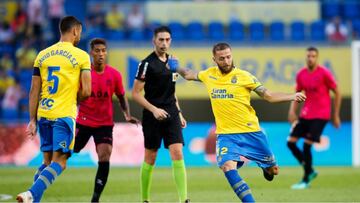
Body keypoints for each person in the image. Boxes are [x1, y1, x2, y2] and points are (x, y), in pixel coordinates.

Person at [170, 42, 306, 202]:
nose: (226, 61)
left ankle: (266, 167)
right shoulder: (209, 75)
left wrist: (292, 95)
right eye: (221, 58)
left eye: (228, 57)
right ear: (214, 59)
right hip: (226, 134)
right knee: (227, 166)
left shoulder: (245, 76)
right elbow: (188, 74)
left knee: (273, 171)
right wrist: (176, 66)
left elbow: (268, 95)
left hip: (252, 133)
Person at [16, 16, 92, 202]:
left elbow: (34, 90)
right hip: (63, 114)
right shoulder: (82, 56)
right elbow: (88, 90)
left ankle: (34, 198)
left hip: (43, 114)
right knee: (61, 163)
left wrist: (32, 120)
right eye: (79, 32)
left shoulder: (42, 55)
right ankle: (31, 194)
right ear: (75, 31)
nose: (79, 36)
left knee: (47, 162)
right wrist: (76, 99)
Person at [74, 38, 139, 202]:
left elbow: (122, 97)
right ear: (91, 53)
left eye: (103, 50)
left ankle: (95, 198)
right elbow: (74, 95)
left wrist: (127, 115)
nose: (101, 54)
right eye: (97, 51)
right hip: (83, 121)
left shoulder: (114, 75)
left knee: (104, 156)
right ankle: (45, 174)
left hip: (104, 124)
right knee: (68, 152)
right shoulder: (83, 73)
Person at [132, 26, 189, 203]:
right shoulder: (146, 63)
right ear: (154, 41)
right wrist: (154, 110)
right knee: (151, 156)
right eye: (161, 40)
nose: (164, 43)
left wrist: (179, 113)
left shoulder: (173, 62)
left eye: (167, 40)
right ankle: (145, 199)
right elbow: (135, 94)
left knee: (177, 152)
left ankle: (184, 199)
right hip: (152, 114)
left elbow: (172, 92)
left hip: (171, 111)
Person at [287, 47, 341, 189]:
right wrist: (292, 111)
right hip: (306, 114)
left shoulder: (324, 73)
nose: (310, 58)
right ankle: (310, 170)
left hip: (321, 115)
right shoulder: (301, 74)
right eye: (308, 56)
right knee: (291, 143)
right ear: (306, 57)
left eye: (313, 56)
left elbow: (337, 91)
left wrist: (335, 115)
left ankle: (306, 179)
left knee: (306, 145)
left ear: (317, 57)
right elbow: (297, 93)